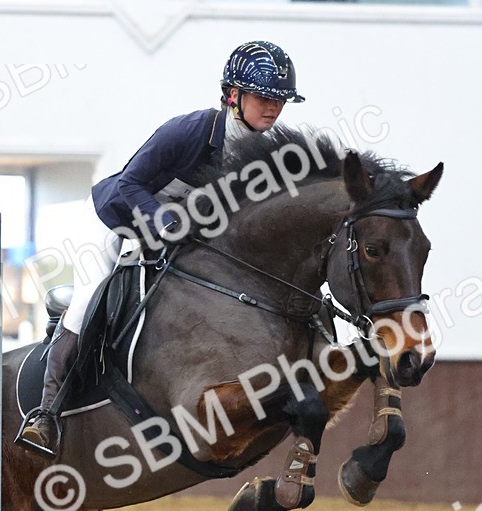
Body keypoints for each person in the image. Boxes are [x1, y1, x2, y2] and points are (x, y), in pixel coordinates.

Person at [19, 40, 305, 456]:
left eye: (280, 100)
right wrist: (164, 221)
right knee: (87, 301)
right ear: (233, 95)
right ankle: (45, 414)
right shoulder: (190, 130)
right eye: (264, 97)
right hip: (114, 221)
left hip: (170, 236)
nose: (274, 107)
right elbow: (129, 183)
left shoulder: (260, 154)